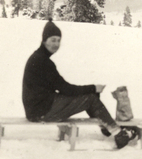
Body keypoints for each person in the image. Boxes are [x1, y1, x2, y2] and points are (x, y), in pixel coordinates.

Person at [22, 18, 136, 149]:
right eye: (53, 40)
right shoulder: (43, 61)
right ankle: (119, 135)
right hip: (41, 111)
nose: (56, 44)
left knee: (88, 96)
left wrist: (90, 89)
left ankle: (106, 126)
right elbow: (65, 89)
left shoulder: (39, 58)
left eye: (58, 40)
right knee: (91, 98)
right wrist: (93, 88)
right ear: (44, 41)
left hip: (38, 108)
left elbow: (62, 88)